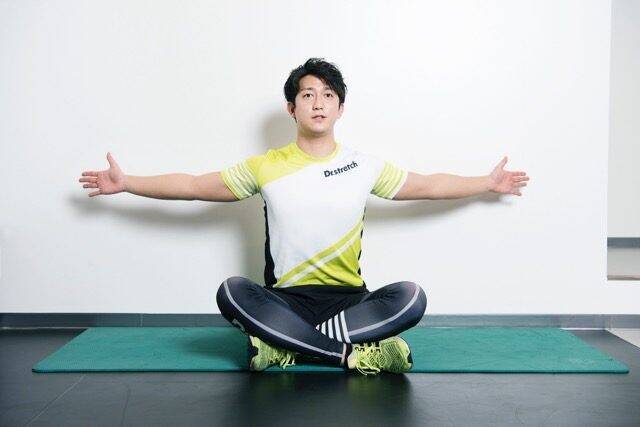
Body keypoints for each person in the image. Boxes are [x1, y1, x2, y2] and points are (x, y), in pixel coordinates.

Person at [78, 57, 530, 376]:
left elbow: (427, 185)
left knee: (412, 297)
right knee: (232, 291)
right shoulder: (266, 166)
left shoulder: (362, 165)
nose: (318, 102)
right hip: (283, 302)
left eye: (328, 95)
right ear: (291, 108)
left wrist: (486, 183)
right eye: (308, 94)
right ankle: (350, 355)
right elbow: (195, 186)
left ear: (340, 109)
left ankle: (284, 345)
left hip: (350, 303)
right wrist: (128, 182)